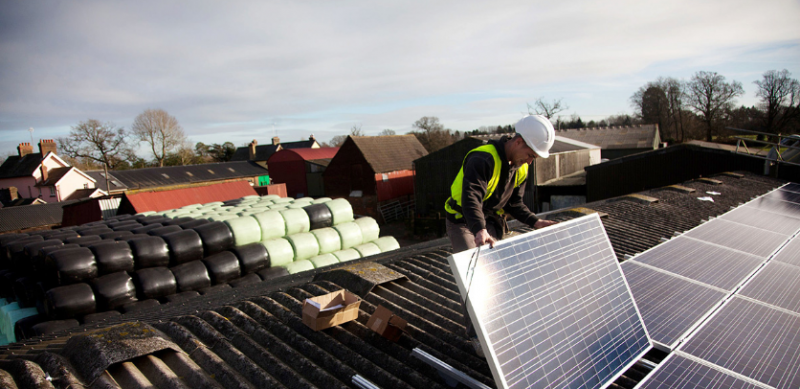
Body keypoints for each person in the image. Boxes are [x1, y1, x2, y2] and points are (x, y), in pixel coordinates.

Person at [444, 114, 557, 356]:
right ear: (518, 142)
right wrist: (479, 229)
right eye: (530, 154)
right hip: (464, 221)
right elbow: (470, 198)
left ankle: (495, 325)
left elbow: (515, 204)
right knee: (474, 276)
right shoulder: (482, 158)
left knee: (497, 275)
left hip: (490, 220)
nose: (530, 160)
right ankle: (476, 335)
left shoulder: (521, 168)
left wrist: (535, 222)